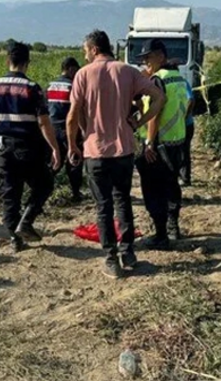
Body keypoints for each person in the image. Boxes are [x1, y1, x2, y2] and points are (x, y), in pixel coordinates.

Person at [66, 30, 165, 279]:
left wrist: (73, 144)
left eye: (86, 51)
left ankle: (111, 259)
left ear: (94, 49)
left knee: (103, 206)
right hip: (123, 150)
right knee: (123, 201)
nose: (85, 55)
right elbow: (158, 97)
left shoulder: (83, 74)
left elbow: (72, 115)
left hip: (95, 151)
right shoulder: (128, 71)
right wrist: (138, 121)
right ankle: (128, 252)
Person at [0, 42, 61, 252]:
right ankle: (26, 222)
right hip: (27, 147)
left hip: (2, 147)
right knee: (44, 184)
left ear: (8, 60)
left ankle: (14, 239)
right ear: (28, 62)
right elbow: (44, 122)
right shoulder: (32, 88)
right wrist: (54, 148)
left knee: (11, 192)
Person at [134, 39, 189, 250]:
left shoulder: (158, 80)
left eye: (148, 57)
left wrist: (149, 142)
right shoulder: (178, 78)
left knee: (153, 189)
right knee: (172, 185)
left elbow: (155, 114)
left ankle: (160, 235)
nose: (145, 62)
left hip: (159, 144)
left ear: (161, 56)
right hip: (178, 140)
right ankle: (173, 225)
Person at [47, 57, 84, 202]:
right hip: (69, 128)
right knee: (74, 160)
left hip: (51, 128)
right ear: (70, 69)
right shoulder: (73, 87)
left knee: (55, 161)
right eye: (76, 70)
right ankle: (76, 193)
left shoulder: (49, 86)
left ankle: (45, 191)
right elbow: (79, 112)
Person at [179, 80, 195, 186]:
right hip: (179, 125)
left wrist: (184, 117)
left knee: (184, 151)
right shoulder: (182, 82)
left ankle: (185, 178)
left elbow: (191, 100)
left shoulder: (182, 83)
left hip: (185, 125)